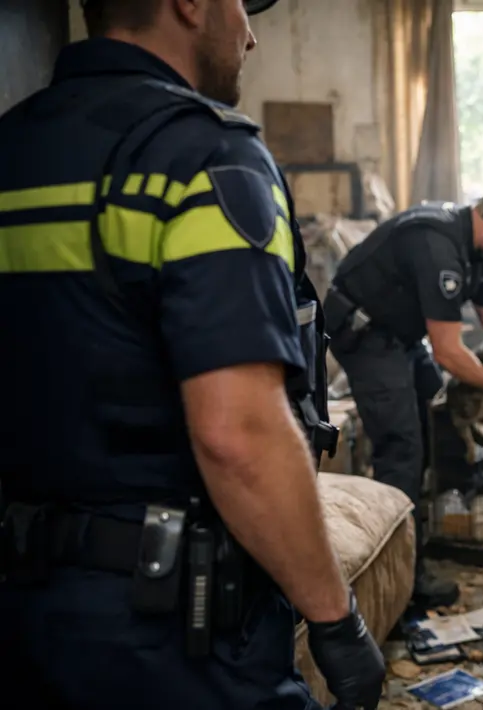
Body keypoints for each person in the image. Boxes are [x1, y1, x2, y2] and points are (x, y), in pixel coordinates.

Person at [0, 1, 385, 709]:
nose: (250, 33)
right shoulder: (201, 155)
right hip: (172, 631)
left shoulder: (14, 144)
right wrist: (336, 619)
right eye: (238, 4)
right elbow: (238, 434)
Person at [323, 189, 483, 609]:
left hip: (404, 335)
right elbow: (448, 352)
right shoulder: (436, 243)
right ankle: (402, 580)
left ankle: (429, 529)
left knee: (440, 414)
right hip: (366, 335)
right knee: (402, 447)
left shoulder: (481, 253)